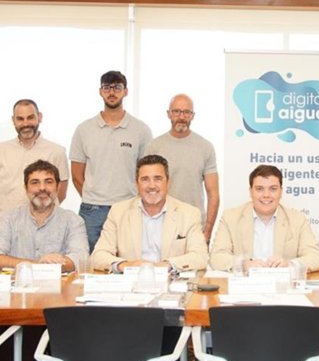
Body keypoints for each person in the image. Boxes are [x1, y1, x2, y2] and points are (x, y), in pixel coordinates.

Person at [70, 70, 153, 249]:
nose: (112, 92)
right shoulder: (84, 129)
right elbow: (76, 174)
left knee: (128, 258)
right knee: (91, 260)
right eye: (107, 88)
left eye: (117, 87)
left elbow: (146, 173)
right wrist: (93, 197)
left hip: (128, 207)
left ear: (126, 91)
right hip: (92, 210)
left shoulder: (141, 130)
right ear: (100, 92)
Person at [90, 154, 208, 273]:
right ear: (137, 184)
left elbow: (200, 257)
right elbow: (98, 256)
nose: (152, 186)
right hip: (131, 280)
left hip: (170, 280)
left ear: (168, 183)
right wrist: (126, 265)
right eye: (145, 179)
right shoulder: (118, 212)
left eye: (158, 179)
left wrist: (167, 265)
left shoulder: (189, 214)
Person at [209, 165, 319, 272]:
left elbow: (316, 257)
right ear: (250, 192)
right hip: (245, 283)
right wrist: (243, 264)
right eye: (259, 189)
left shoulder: (297, 219)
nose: (266, 195)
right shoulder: (230, 218)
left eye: (273, 189)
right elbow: (216, 257)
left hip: (283, 284)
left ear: (281, 192)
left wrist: (289, 264)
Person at [0, 160, 87, 272]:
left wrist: (49, 266)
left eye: (48, 182)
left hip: (58, 283)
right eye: (35, 182)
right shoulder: (8, 219)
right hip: (17, 283)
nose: (42, 188)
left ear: (58, 187)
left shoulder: (73, 221)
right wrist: (38, 265)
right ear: (26, 188)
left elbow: (80, 258)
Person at [144, 94, 220, 242]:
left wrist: (208, 231)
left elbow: (213, 194)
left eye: (186, 112)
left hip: (195, 226)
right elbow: (145, 189)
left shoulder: (205, 147)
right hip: (161, 224)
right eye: (177, 111)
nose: (181, 117)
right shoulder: (154, 146)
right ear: (168, 114)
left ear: (193, 116)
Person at [0, 98, 70, 218]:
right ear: (13, 120)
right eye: (20, 119)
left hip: (44, 222)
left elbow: (60, 192)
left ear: (39, 117)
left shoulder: (56, 151)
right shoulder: (0, 149)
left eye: (30, 117)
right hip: (5, 221)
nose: (25, 124)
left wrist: (42, 211)